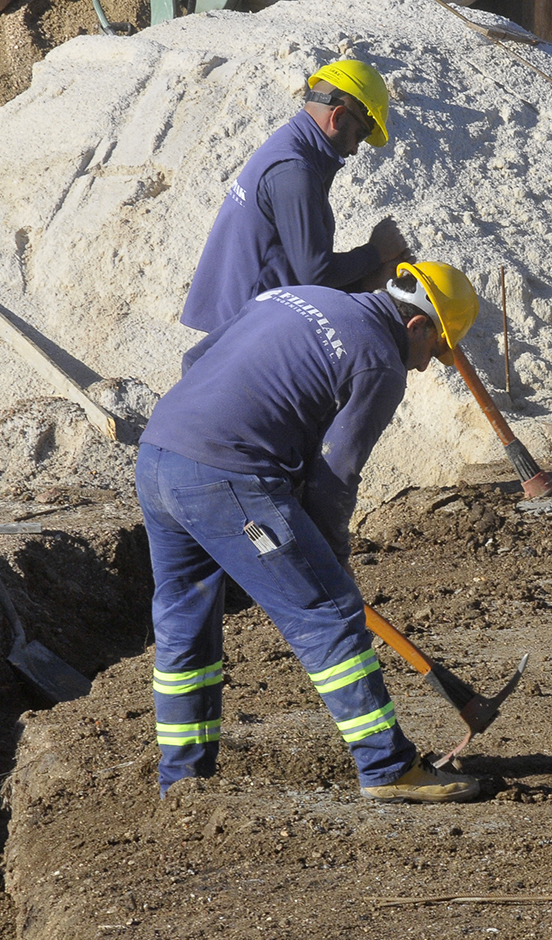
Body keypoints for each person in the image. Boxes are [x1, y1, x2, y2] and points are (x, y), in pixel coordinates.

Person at [138, 262, 482, 802]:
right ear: (418, 328)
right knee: (328, 611)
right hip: (227, 478)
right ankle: (388, 767)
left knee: (184, 619)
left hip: (159, 456)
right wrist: (330, 557)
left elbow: (196, 360)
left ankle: (182, 781)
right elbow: (335, 476)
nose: (422, 368)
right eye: (434, 352)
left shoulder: (297, 296)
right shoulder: (379, 363)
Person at [181, 58, 412, 334]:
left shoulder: (290, 147)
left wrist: (367, 280)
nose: (354, 150)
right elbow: (315, 273)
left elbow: (297, 267)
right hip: (247, 329)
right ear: (338, 116)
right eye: (360, 135)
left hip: (242, 321)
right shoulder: (294, 171)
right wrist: (375, 251)